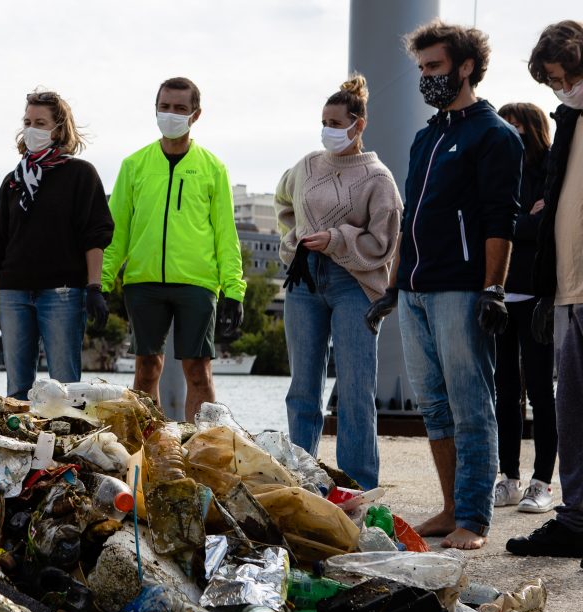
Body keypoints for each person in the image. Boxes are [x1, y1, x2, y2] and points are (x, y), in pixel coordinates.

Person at [365, 21, 523, 550]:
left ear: (467, 66)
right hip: (414, 290)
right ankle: (451, 505)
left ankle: (474, 519)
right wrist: (392, 287)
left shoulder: (494, 134)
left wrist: (493, 289)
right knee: (434, 404)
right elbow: (412, 219)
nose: (427, 78)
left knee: (470, 402)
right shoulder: (425, 137)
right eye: (422, 69)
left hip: (461, 289)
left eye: (435, 67)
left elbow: (502, 220)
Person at [275, 74, 402, 490]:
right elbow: (283, 203)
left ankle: (358, 485)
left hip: (355, 283)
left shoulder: (378, 178)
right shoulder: (307, 165)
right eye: (324, 121)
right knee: (303, 387)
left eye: (336, 121)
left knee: (356, 389)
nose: (329, 129)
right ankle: (300, 478)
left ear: (358, 124)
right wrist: (293, 241)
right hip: (305, 279)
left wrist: (338, 238)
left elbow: (384, 242)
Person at [102, 77, 245, 421]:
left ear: (195, 114)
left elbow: (226, 234)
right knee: (146, 368)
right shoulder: (134, 165)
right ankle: (150, 448)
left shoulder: (213, 168)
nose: (171, 114)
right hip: (143, 282)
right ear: (155, 109)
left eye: (180, 108)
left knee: (198, 371)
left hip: (197, 284)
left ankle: (203, 446)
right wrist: (102, 283)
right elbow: (115, 231)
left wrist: (234, 290)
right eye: (165, 107)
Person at [0, 91, 113, 400]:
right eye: (27, 122)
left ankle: (63, 445)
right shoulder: (13, 180)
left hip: (61, 293)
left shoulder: (80, 174)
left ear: (58, 129)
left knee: (64, 389)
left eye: (40, 122)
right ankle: (20, 447)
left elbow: (95, 233)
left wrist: (94, 286)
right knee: (18, 390)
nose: (31, 128)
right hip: (14, 294)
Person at [507, 20, 583, 559]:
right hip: (565, 292)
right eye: (551, 83)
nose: (558, 89)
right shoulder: (569, 119)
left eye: (561, 77)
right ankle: (577, 520)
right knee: (572, 411)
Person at [492, 102, 558, 513]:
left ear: (531, 129)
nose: (509, 132)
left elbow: (544, 227)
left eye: (515, 126)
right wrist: (523, 220)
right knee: (505, 392)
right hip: (501, 297)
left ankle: (541, 483)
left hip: (538, 297)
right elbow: (496, 226)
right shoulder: (499, 172)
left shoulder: (551, 168)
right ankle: (509, 478)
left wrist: (518, 223)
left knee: (540, 391)